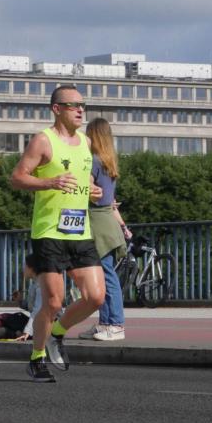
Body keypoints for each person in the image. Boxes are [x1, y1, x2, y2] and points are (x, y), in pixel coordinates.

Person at [10, 84, 105, 383]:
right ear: (56, 109)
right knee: (52, 302)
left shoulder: (87, 142)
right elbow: (17, 178)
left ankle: (57, 335)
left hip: (80, 230)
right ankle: (37, 358)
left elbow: (82, 179)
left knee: (95, 297)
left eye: (83, 105)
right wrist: (49, 183)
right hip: (49, 230)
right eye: (73, 105)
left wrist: (90, 190)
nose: (80, 110)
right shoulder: (43, 140)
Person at [79, 118, 132, 342]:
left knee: (105, 277)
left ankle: (115, 324)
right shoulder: (109, 163)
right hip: (108, 223)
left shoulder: (93, 161)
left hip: (97, 224)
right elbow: (111, 202)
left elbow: (86, 190)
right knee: (105, 275)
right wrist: (123, 226)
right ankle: (106, 323)